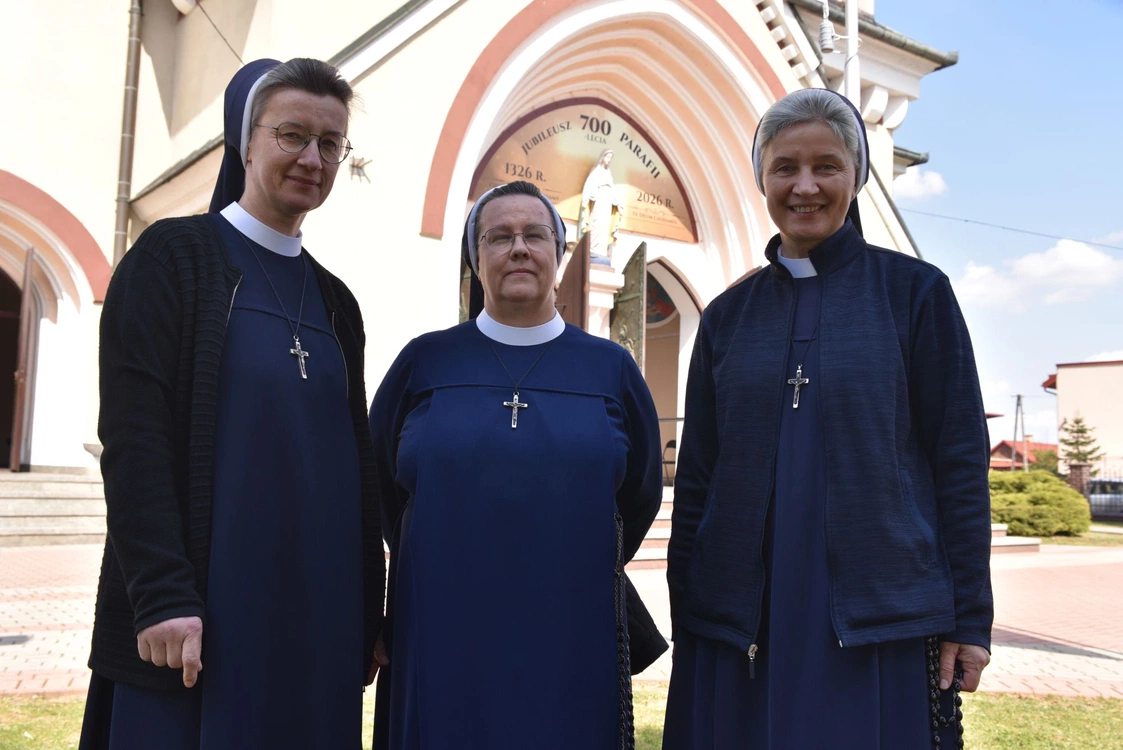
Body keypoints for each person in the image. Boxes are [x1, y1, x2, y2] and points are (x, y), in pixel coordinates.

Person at [662, 88, 993, 749]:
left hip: (877, 608)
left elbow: (957, 463)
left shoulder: (914, 294)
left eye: (826, 166)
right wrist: (690, 605)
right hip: (744, 611)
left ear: (856, 176)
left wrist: (969, 619)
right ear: (762, 179)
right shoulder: (728, 317)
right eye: (784, 167)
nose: (804, 186)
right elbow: (697, 475)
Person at [78, 58, 384, 750]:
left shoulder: (337, 302)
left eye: (330, 143)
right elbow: (134, 439)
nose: (312, 158)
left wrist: (368, 610)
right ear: (246, 142)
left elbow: (356, 462)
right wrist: (161, 593)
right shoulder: (172, 258)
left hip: (315, 615)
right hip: (201, 621)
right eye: (291, 135)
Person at [369, 180, 663, 750]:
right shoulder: (425, 361)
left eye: (535, 235)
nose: (519, 248)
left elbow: (640, 491)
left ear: (559, 253)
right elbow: (379, 482)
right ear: (475, 258)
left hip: (571, 622)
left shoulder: (610, 369)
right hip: (440, 618)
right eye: (499, 236)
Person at [579, 148, 622, 262]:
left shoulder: (608, 173)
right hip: (598, 202)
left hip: (607, 204)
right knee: (596, 223)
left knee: (604, 225)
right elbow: (589, 186)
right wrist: (586, 198)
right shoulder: (595, 171)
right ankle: (592, 249)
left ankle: (601, 250)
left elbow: (613, 190)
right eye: (607, 157)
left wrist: (617, 203)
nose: (609, 160)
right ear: (602, 157)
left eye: (610, 158)